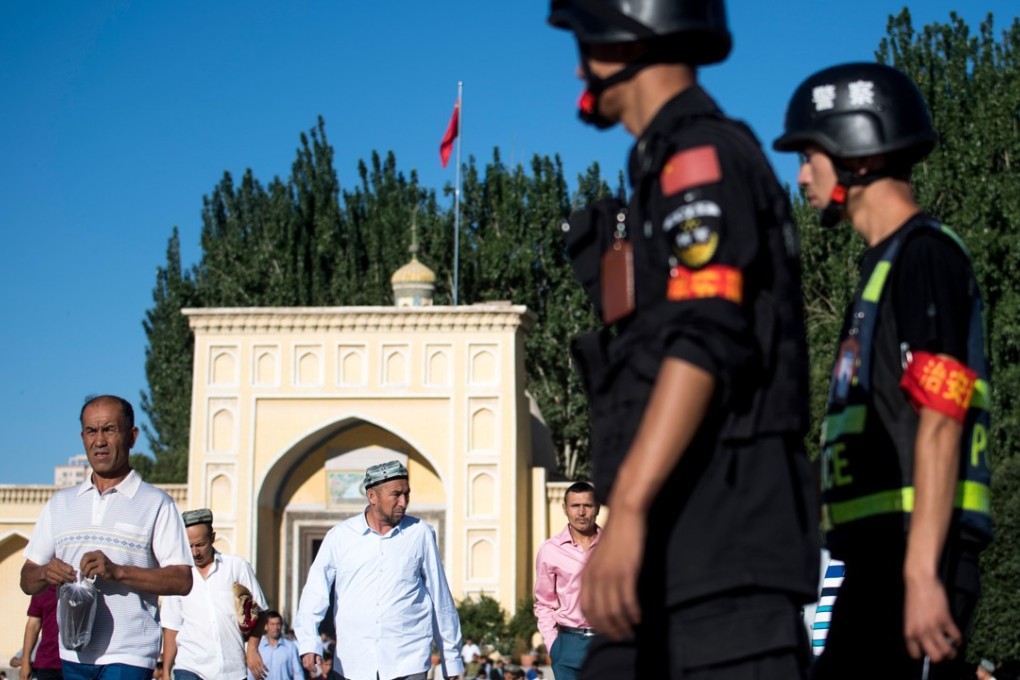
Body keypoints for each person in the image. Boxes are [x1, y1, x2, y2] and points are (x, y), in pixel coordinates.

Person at [548, 1, 821, 678]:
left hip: (727, 556)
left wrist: (630, 509)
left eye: (588, 40)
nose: (580, 65)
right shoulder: (662, 170)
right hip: (675, 552)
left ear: (626, 38)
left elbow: (706, 337)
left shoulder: (700, 157)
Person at [773, 62, 994, 679]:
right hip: (875, 560)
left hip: (917, 559)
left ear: (858, 154)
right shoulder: (881, 270)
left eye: (810, 156)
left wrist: (923, 575)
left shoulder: (925, 257)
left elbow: (941, 414)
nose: (802, 177)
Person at [20, 395, 193, 679]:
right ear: (82, 437)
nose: (99, 440)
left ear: (132, 436)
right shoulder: (60, 503)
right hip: (72, 653)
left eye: (109, 429)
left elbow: (182, 579)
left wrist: (118, 571)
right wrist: (44, 573)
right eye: (91, 430)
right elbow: (27, 579)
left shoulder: (156, 503)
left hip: (129, 654)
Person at [294, 460, 464, 680]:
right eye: (396, 494)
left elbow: (440, 599)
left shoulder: (420, 534)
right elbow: (314, 592)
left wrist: (452, 659)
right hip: (353, 664)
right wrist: (309, 642)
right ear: (372, 496)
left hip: (407, 662)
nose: (403, 502)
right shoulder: (340, 537)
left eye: (406, 494)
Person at [160, 508, 269, 680]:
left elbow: (261, 611)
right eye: (189, 546)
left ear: (212, 538)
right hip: (189, 667)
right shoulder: (178, 576)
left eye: (200, 545)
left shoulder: (236, 567)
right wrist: (166, 671)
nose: (195, 552)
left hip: (231, 670)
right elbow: (171, 626)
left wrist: (252, 649)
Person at [533, 482, 601, 680]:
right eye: (575, 506)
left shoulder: (614, 546)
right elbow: (544, 602)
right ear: (565, 509)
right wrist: (553, 645)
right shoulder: (550, 550)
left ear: (596, 507)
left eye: (587, 506)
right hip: (568, 644)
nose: (581, 512)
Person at [18, 584, 62, 680]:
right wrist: (25, 661)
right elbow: (33, 625)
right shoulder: (42, 588)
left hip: (80, 662)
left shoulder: (83, 585)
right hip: (48, 662)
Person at [249, 612, 302, 680]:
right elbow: (251, 673)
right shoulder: (257, 648)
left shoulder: (291, 647)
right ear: (266, 626)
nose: (275, 627)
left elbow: (298, 673)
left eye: (278, 624)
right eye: (272, 624)